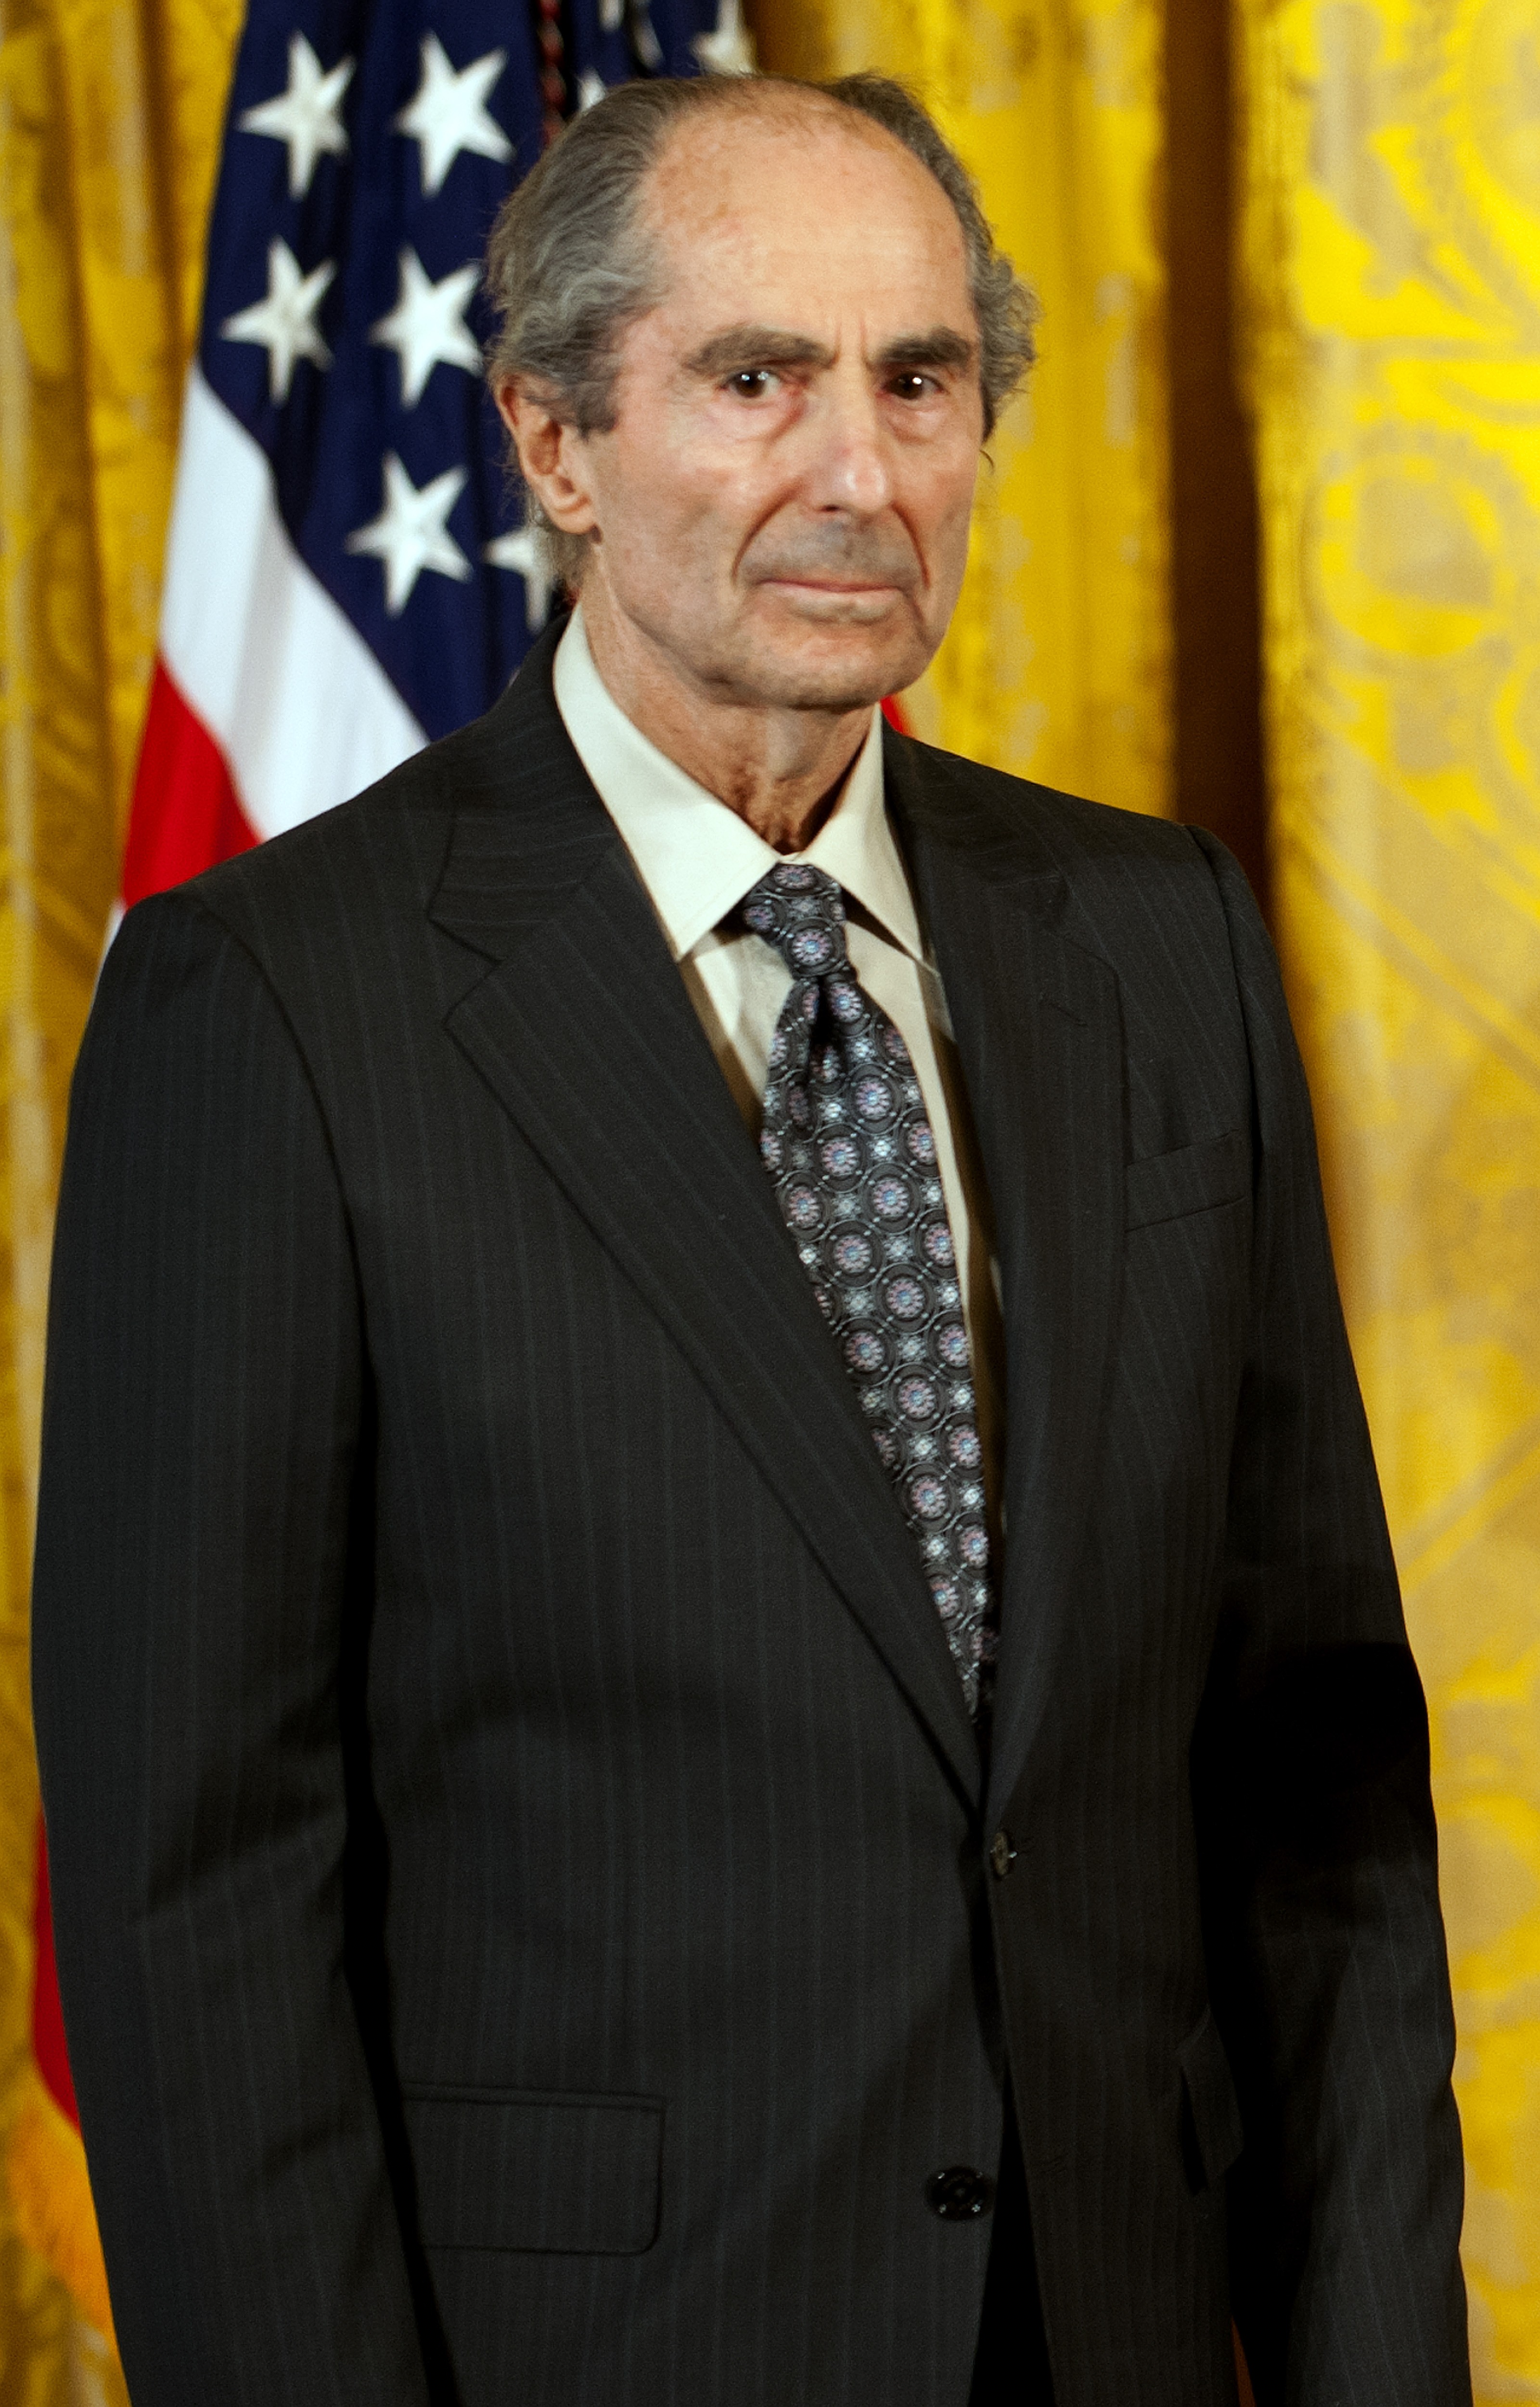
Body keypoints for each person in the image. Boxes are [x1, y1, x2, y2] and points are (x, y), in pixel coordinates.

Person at [32, 70, 1469, 2407]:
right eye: (752, 377)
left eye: (919, 380)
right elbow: (196, 1901)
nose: (859, 473)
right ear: (553, 442)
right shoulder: (274, 1005)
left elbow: (1308, 1776)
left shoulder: (1156, 939)